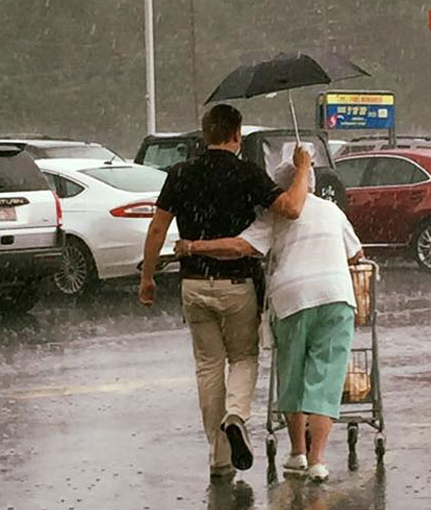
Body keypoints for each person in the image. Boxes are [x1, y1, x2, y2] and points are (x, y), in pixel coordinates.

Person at [139, 103, 312, 480]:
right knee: (244, 358)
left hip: (193, 284)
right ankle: (236, 415)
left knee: (208, 366)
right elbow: (290, 208)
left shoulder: (180, 173)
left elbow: (157, 228)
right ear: (236, 135)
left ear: (205, 134)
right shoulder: (246, 173)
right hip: (237, 285)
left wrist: (147, 278)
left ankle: (219, 459)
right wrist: (302, 170)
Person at [174, 160, 363, 482]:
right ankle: (318, 460)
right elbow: (356, 255)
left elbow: (238, 248)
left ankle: (297, 454)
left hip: (292, 299)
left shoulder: (275, 215)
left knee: (291, 375)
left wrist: (193, 246)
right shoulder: (333, 212)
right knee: (326, 379)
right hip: (336, 297)